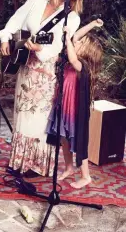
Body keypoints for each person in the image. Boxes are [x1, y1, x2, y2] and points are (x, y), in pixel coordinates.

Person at [0, 0, 85, 177]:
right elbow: (16, 20)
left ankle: (36, 164)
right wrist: (6, 37)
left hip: (47, 73)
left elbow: (58, 46)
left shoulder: (71, 18)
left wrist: (40, 49)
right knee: (22, 114)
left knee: (39, 119)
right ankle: (18, 160)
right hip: (26, 67)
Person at [46, 18, 103, 188]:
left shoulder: (82, 66)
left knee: (77, 142)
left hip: (74, 111)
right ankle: (69, 168)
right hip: (63, 107)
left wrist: (68, 35)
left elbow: (72, 57)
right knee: (64, 138)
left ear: (87, 51)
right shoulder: (70, 62)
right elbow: (76, 36)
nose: (75, 42)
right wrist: (92, 25)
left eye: (80, 43)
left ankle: (86, 176)